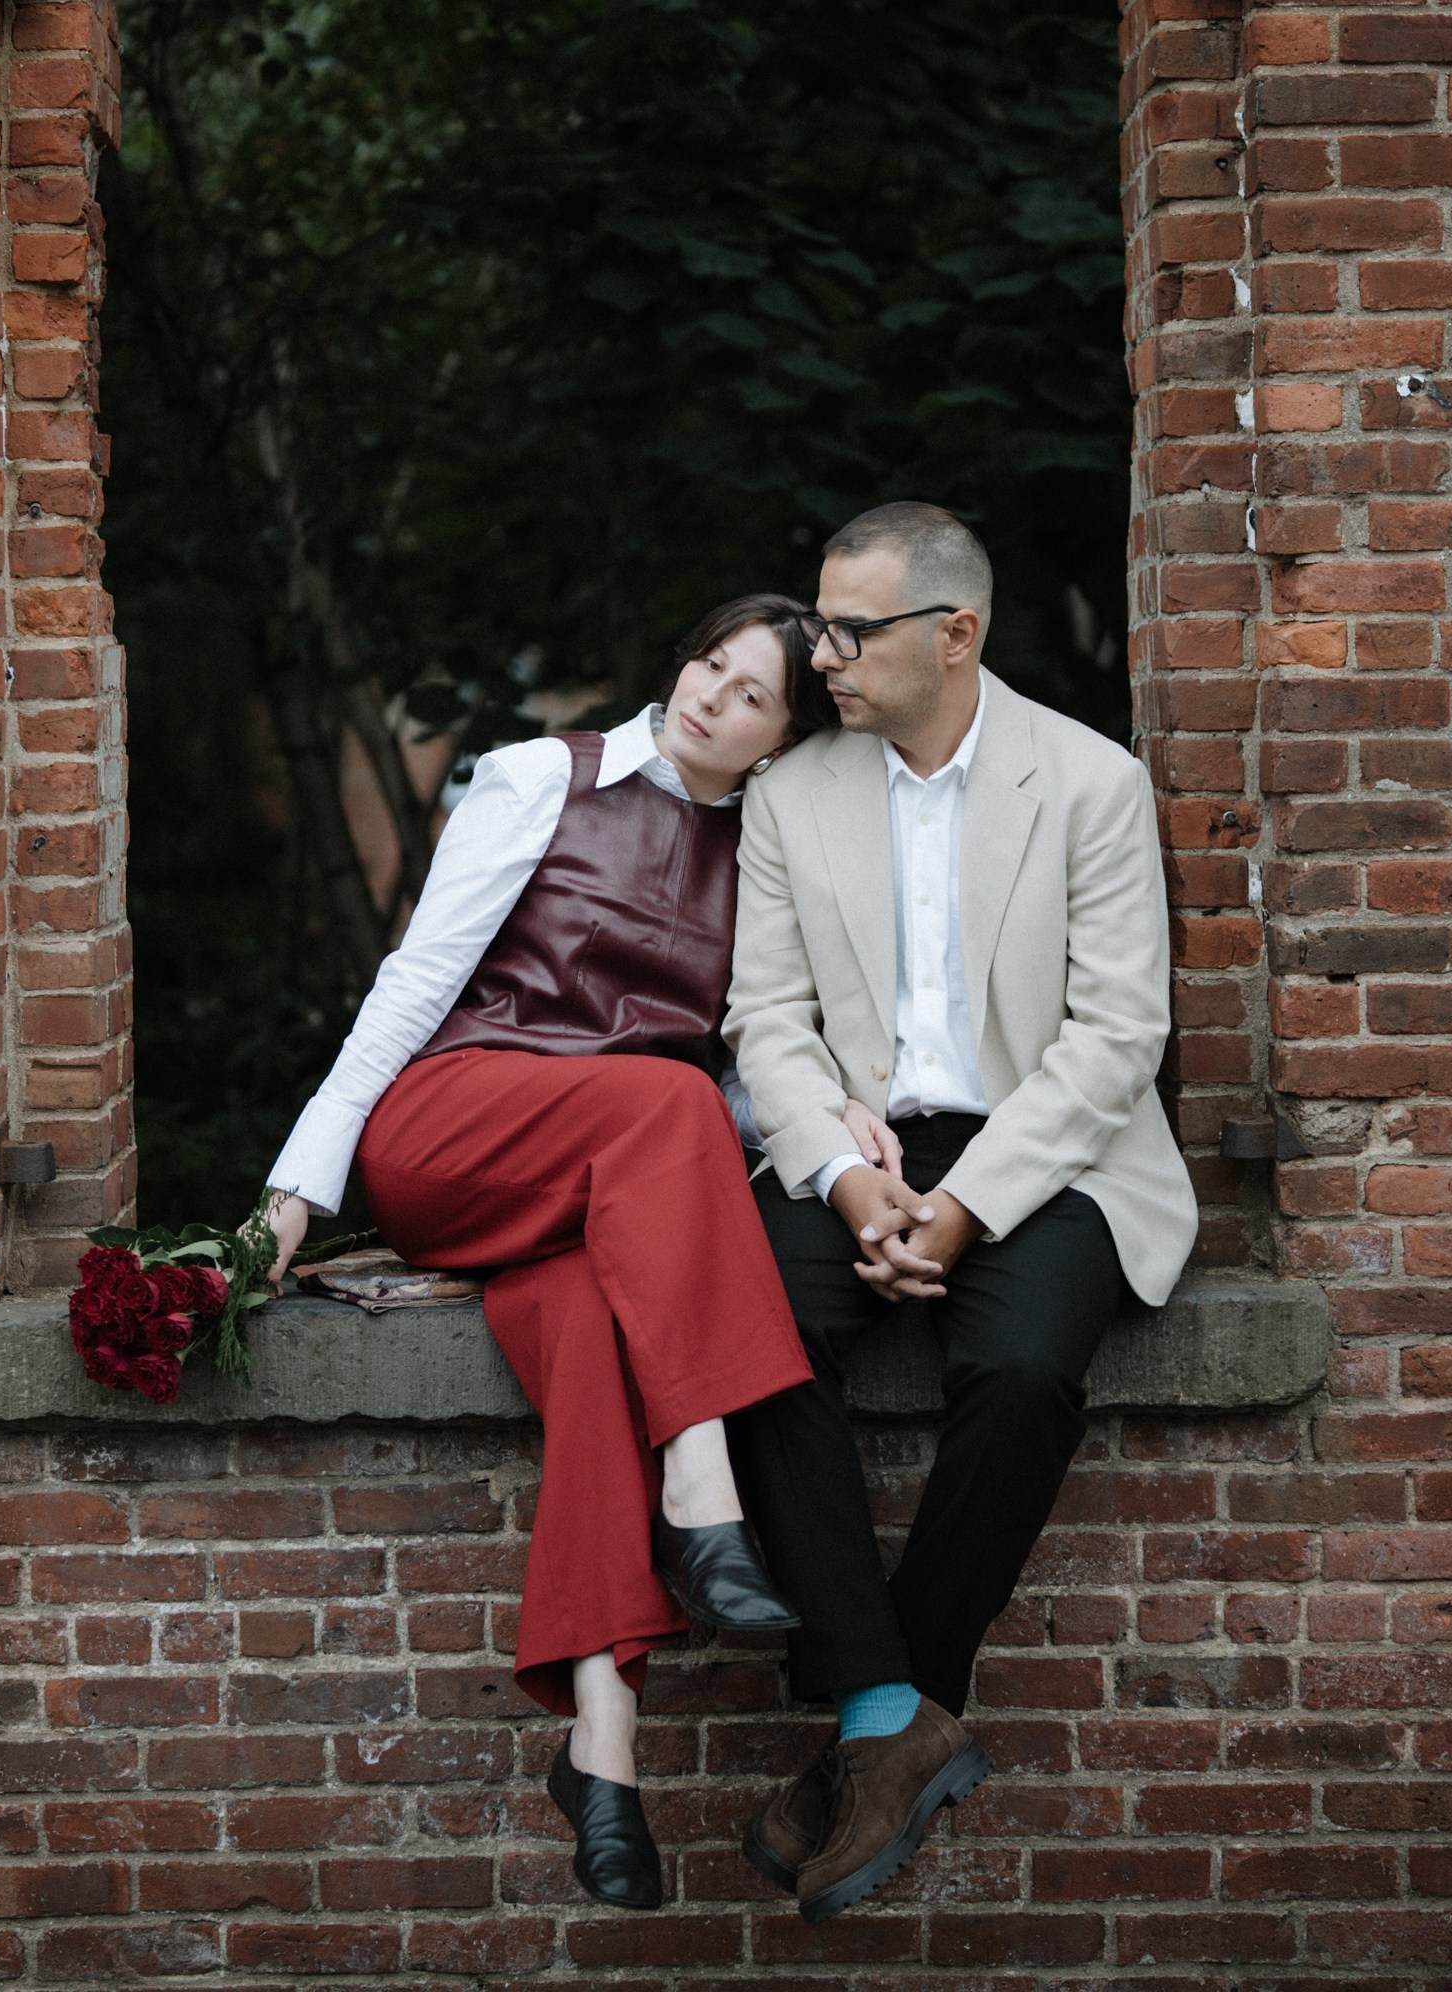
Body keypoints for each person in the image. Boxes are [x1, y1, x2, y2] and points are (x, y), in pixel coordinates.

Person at [254, 595, 885, 1911]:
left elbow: (744, 1072)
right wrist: (297, 1184)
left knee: (603, 1339)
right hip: (458, 1131)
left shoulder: (764, 854)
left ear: (779, 739)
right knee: (665, 1100)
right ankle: (703, 1489)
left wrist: (846, 1125)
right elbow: (414, 984)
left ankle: (602, 1756)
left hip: (601, 1186)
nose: (713, 695)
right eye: (709, 662)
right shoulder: (547, 777)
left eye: (752, 693)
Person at [723, 501, 1198, 1923]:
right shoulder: (792, 793)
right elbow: (767, 1018)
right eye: (817, 625)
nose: (824, 657)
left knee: (1024, 1369)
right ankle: (891, 1714)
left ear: (958, 633)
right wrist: (854, 1180)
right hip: (858, 1142)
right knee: (749, 1338)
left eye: (850, 631)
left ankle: (883, 1709)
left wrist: (971, 1206)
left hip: (1055, 1145)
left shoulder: (1090, 783)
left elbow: (1117, 1042)